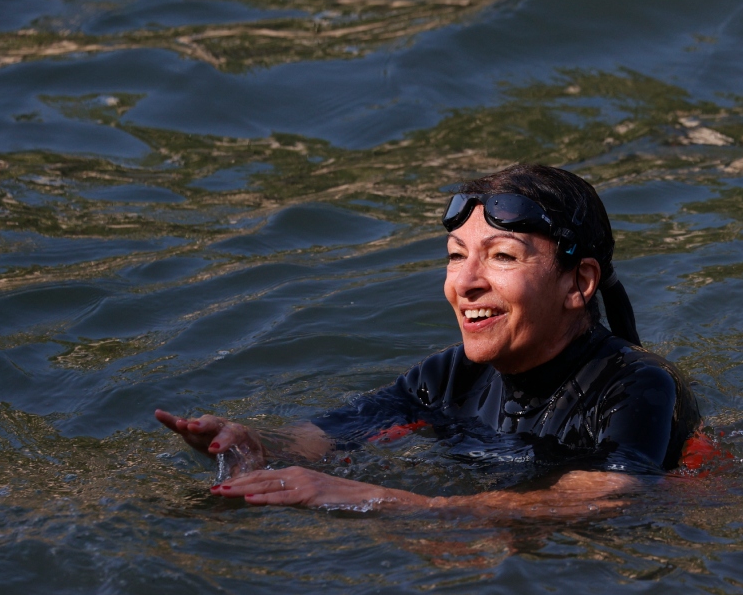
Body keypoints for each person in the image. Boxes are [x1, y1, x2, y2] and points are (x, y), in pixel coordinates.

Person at [156, 164, 701, 514]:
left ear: (578, 283)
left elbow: (613, 493)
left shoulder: (637, 387)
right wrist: (256, 447)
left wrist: (387, 500)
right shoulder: (449, 377)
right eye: (456, 256)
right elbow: (333, 435)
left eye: (502, 256)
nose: (465, 282)